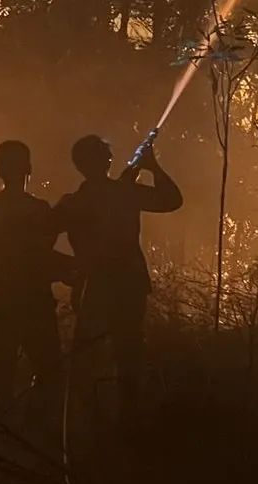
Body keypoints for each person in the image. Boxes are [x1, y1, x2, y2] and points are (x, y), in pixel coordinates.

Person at [54, 133, 182, 419]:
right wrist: (153, 166)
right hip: (123, 285)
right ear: (106, 161)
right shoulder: (123, 193)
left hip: (97, 285)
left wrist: (70, 268)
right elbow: (172, 199)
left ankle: (89, 417)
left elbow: (41, 237)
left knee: (90, 355)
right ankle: (124, 416)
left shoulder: (74, 201)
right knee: (127, 353)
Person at [0, 140, 64, 418]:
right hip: (35, 299)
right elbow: (46, 255)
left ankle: (4, 427)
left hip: (2, 299)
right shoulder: (40, 209)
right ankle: (41, 424)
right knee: (47, 368)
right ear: (29, 169)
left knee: (3, 371)